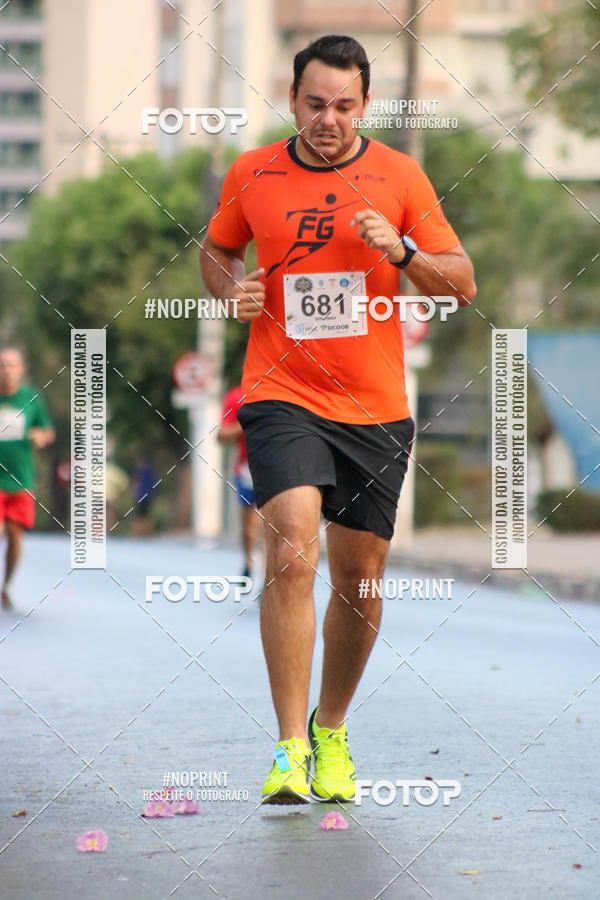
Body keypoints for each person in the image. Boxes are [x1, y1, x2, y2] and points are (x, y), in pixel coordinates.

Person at [201, 34, 476, 805]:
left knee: (360, 581)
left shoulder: (399, 176)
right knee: (290, 549)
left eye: (344, 106)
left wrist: (406, 251)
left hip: (375, 408)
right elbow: (217, 250)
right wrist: (231, 292)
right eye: (315, 104)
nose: (328, 119)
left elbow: (461, 285)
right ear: (293, 100)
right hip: (281, 392)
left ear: (365, 104)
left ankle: (331, 729)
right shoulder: (251, 171)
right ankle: (289, 747)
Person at [0, 347, 54, 611]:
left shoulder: (31, 398)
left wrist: (40, 437)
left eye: (11, 365)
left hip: (21, 479)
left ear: (20, 369)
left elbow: (46, 431)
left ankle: (6, 586)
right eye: (2, 366)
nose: (6, 371)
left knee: (14, 537)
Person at [217, 384, 261, 581]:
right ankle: (249, 561)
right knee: (249, 527)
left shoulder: (284, 390)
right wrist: (248, 422)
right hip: (246, 469)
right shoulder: (236, 396)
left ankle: (268, 576)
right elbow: (222, 435)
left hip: (276, 467)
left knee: (273, 524)